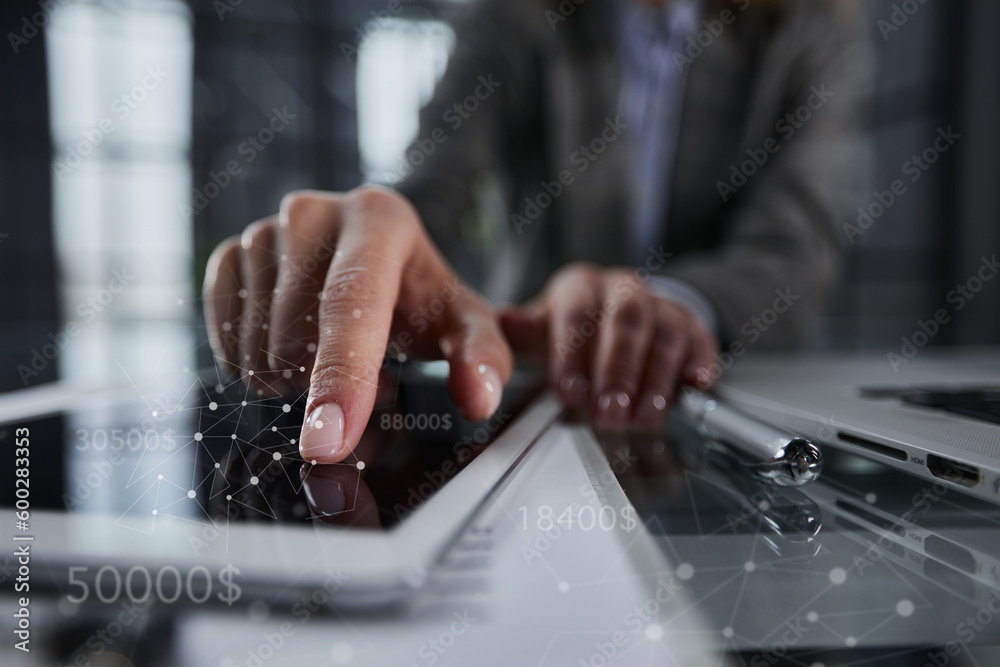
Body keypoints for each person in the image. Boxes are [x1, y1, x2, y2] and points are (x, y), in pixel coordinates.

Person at [203, 0, 870, 464]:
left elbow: (796, 248)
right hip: (525, 398)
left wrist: (671, 306)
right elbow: (432, 196)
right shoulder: (511, 16)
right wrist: (374, 242)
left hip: (730, 400)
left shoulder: (808, 27)